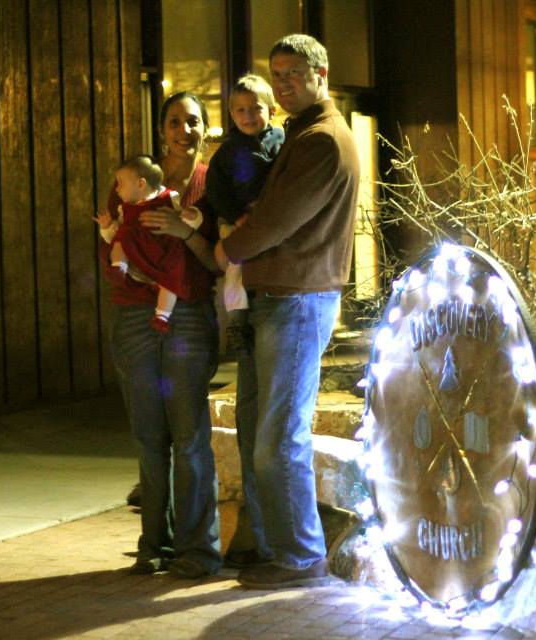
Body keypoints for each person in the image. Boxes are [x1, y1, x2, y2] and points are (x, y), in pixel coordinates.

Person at [215, 34, 360, 589]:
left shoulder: (320, 140)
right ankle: (278, 547)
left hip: (296, 299)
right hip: (280, 297)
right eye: (276, 74)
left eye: (294, 73)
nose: (283, 83)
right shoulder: (302, 133)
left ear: (321, 74)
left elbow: (277, 218)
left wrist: (230, 249)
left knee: (279, 437)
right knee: (262, 431)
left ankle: (299, 555)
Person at [100, 91, 222, 580]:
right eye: (174, 121)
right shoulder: (133, 179)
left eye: (192, 121)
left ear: (204, 129)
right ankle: (153, 544)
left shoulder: (211, 184)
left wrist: (184, 231)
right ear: (161, 129)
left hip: (187, 315)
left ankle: (197, 549)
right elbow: (110, 245)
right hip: (134, 317)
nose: (183, 130)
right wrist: (131, 275)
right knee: (149, 436)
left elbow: (219, 258)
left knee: (189, 435)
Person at [205, 74, 284, 356]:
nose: (248, 116)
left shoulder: (282, 140)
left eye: (255, 108)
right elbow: (215, 190)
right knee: (235, 270)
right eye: (241, 110)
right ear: (231, 114)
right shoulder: (227, 151)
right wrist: (237, 215)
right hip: (236, 219)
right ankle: (237, 323)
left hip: (270, 219)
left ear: (272, 111)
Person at [95, 155, 203, 333]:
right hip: (137, 256)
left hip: (165, 253)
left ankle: (162, 316)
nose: (117, 189)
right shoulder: (124, 209)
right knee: (122, 238)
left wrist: (192, 216)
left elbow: (186, 220)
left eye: (120, 184)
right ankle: (118, 267)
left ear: (141, 184)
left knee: (170, 283)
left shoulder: (169, 198)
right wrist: (107, 227)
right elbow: (112, 237)